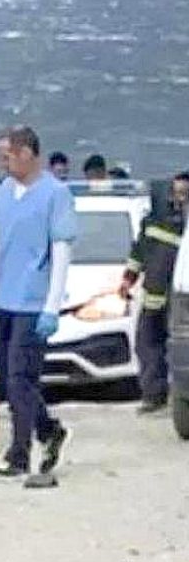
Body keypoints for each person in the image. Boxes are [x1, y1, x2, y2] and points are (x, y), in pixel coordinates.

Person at [0, 126, 77, 487]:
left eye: (8, 155)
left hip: (33, 300)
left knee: (21, 378)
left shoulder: (55, 194)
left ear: (28, 153)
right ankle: (49, 429)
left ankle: (18, 454)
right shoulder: (5, 191)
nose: (2, 162)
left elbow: (61, 251)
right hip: (5, 297)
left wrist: (51, 307)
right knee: (3, 378)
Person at [120, 171, 189, 414]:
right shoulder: (154, 220)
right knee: (149, 345)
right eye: (177, 193)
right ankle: (154, 395)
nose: (179, 199)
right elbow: (139, 252)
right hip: (155, 296)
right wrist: (128, 280)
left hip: (181, 299)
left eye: (184, 194)